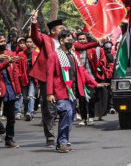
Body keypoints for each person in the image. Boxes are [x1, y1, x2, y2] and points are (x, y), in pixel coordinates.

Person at [29, 10, 98, 148]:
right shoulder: (46, 39)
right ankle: (50, 137)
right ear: (53, 31)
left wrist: (98, 42)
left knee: (68, 109)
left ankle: (64, 138)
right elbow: (35, 36)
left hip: (65, 80)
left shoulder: (69, 43)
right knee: (49, 109)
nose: (64, 29)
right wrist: (34, 21)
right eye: (61, 28)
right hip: (47, 77)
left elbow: (83, 46)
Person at [46, 30, 108, 153]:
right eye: (68, 40)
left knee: (69, 118)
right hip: (60, 91)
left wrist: (95, 84)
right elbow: (49, 75)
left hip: (73, 92)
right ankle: (62, 142)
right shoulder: (54, 56)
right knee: (67, 113)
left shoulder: (73, 55)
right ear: (61, 41)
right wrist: (49, 93)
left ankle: (63, 142)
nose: (71, 42)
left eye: (71, 40)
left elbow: (83, 72)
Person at [0, 33, 22, 150]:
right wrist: (7, 62)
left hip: (10, 89)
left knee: (11, 116)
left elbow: (15, 73)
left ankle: (9, 139)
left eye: (4, 41)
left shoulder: (10, 54)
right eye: (1, 42)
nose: (4, 44)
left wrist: (18, 89)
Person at [75, 33, 106, 126]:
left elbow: (97, 63)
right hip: (79, 78)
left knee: (91, 97)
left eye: (83, 39)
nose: (82, 41)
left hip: (91, 77)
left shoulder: (91, 50)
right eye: (80, 39)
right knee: (81, 99)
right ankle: (83, 118)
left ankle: (91, 116)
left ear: (87, 40)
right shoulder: (74, 51)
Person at [17, 36, 38, 121]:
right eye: (27, 42)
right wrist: (19, 75)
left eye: (31, 42)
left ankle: (30, 112)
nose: (29, 43)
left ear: (33, 43)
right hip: (23, 77)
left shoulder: (37, 54)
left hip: (33, 78)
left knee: (31, 96)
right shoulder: (21, 54)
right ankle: (26, 111)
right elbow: (17, 66)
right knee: (25, 97)